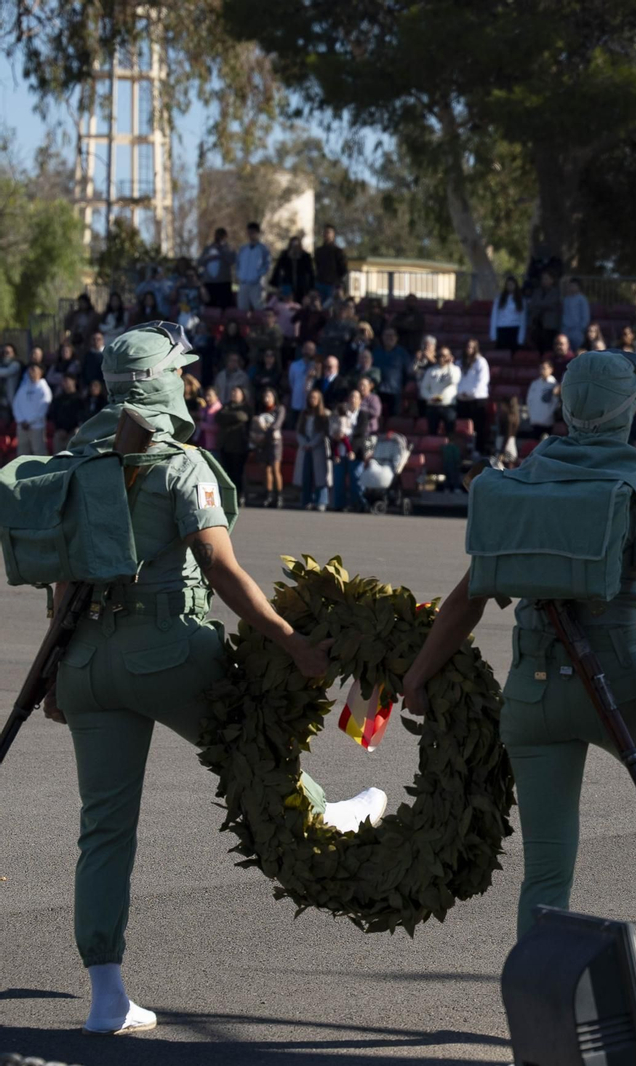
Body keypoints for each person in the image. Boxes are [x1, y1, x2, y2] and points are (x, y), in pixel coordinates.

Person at [23, 324, 381, 1037]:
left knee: (104, 832)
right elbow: (219, 566)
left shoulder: (77, 465)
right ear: (161, 385)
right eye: (179, 374)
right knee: (254, 734)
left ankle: (106, 995)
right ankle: (324, 812)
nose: (188, 383)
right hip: (166, 649)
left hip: (88, 660)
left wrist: (54, 674)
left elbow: (65, 585)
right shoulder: (182, 465)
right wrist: (290, 641)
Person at [399, 350, 636, 931]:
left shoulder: (527, 476)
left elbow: (468, 597)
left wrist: (416, 675)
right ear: (626, 411)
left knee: (546, 873)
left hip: (531, 695)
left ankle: (535, 980)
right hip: (617, 688)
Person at [251, 387, 286, 507]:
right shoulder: (262, 411)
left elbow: (276, 424)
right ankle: (268, 495)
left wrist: (264, 430)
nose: (267, 399)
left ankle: (279, 496)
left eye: (269, 397)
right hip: (263, 442)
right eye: (265, 397)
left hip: (275, 442)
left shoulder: (279, 409)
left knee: (275, 468)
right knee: (266, 470)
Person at [456, 338, 492, 455]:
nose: (469, 349)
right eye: (467, 347)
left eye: (471, 347)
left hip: (477, 398)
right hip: (462, 398)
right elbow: (456, 379)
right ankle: (463, 449)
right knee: (463, 426)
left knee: (478, 426)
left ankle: (478, 450)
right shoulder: (459, 362)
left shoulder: (481, 362)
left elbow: (482, 381)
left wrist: (470, 393)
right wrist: (460, 392)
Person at [215, 385, 253, 490]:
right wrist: (232, 416)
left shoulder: (246, 407)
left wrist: (228, 416)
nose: (233, 394)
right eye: (232, 392)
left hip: (239, 446)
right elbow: (218, 417)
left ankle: (240, 494)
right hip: (225, 444)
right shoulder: (226, 406)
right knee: (226, 472)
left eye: (236, 392)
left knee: (237, 473)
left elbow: (242, 416)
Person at [13, 362, 52, 456]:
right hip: (22, 426)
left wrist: (30, 421)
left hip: (37, 426)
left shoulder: (44, 389)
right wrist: (21, 420)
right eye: (29, 370)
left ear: (40, 372)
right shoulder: (23, 387)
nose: (31, 373)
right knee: (22, 453)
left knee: (39, 452)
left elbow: (43, 409)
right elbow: (16, 404)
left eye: (33, 370)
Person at [422, 346, 462, 435]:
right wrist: (430, 398)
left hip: (448, 406)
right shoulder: (430, 371)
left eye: (444, 356)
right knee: (432, 433)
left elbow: (453, 380)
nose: (441, 358)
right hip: (433, 406)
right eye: (439, 355)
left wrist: (450, 365)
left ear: (449, 356)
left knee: (450, 433)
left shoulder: (455, 369)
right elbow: (424, 388)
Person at [235, 222, 272, 311]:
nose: (250, 235)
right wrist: (239, 275)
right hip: (243, 283)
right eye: (249, 232)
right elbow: (238, 264)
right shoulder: (243, 249)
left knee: (259, 308)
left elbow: (267, 265)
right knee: (242, 308)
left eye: (252, 232)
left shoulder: (263, 249)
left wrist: (258, 275)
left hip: (256, 285)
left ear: (257, 233)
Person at [198, 227, 236, 308]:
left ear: (225, 237)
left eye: (221, 236)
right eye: (217, 235)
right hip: (209, 282)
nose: (218, 238)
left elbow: (232, 260)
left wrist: (222, 250)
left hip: (223, 282)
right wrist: (207, 258)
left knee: (224, 306)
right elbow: (199, 262)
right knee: (210, 305)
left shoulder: (229, 248)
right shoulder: (208, 248)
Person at [269, 235, 315, 301]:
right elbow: (278, 269)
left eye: (296, 245)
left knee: (300, 301)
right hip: (288, 283)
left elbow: (310, 272)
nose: (295, 247)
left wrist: (311, 286)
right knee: (288, 302)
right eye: (293, 245)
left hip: (301, 284)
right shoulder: (285, 255)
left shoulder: (305, 256)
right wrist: (275, 283)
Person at [313, 224, 348, 300]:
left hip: (332, 284)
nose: (326, 234)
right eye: (325, 232)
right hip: (320, 283)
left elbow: (343, 268)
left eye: (328, 232)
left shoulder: (338, 251)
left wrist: (338, 282)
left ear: (333, 234)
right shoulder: (319, 251)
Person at [560, 278, 591, 350]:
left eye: (573, 286)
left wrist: (581, 328)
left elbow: (585, 316)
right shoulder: (566, 299)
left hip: (577, 330)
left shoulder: (582, 299)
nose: (571, 287)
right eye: (570, 286)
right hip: (566, 329)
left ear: (579, 287)